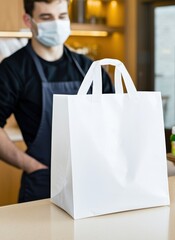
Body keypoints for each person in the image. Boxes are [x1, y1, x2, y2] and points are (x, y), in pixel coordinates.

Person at [0, 0, 114, 202]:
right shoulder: (13, 69)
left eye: (62, 17)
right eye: (46, 17)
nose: (56, 23)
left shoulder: (88, 68)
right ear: (28, 20)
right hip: (42, 180)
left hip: (91, 176)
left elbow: (112, 119)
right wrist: (30, 166)